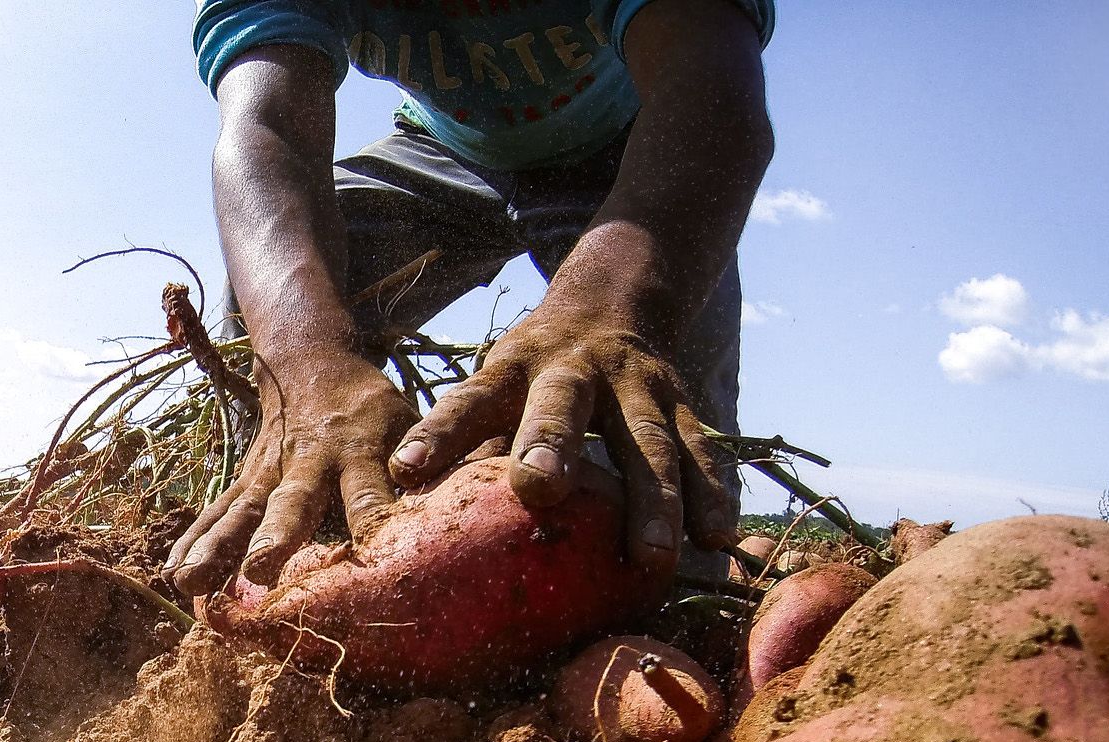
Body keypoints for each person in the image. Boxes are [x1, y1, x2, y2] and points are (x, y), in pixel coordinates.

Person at [169, 0, 775, 597]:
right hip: (443, 152)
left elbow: (710, 98)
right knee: (278, 317)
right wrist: (308, 367)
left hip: (634, 150)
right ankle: (287, 565)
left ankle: (681, 610)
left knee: (658, 375)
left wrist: (616, 309)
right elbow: (266, 132)